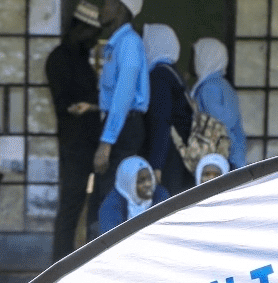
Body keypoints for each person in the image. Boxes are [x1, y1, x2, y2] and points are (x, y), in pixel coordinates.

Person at [44, 1, 103, 262]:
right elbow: (66, 104)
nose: (94, 39)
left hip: (90, 143)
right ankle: (59, 265)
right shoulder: (59, 59)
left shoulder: (80, 59)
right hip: (75, 145)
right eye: (91, 33)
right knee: (70, 207)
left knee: (91, 207)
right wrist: (93, 104)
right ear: (79, 29)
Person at [90, 0, 149, 238]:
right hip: (117, 125)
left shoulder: (129, 43)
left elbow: (123, 97)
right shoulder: (117, 44)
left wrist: (106, 143)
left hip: (124, 128)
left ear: (121, 8)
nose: (102, 8)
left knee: (113, 197)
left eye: (108, 3)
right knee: (106, 195)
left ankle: (113, 251)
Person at [140, 23, 193, 196]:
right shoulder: (172, 73)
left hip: (169, 156)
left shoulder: (159, 76)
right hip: (178, 152)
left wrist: (156, 165)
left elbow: (161, 120)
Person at [192, 37, 247, 171]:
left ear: (206, 58)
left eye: (195, 56)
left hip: (221, 158)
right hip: (234, 155)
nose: (192, 61)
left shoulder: (209, 88)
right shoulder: (222, 84)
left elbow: (218, 125)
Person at [97, 155, 168, 235]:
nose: (148, 184)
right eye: (141, 181)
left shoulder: (160, 195)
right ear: (128, 183)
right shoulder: (109, 209)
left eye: (150, 178)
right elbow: (111, 240)